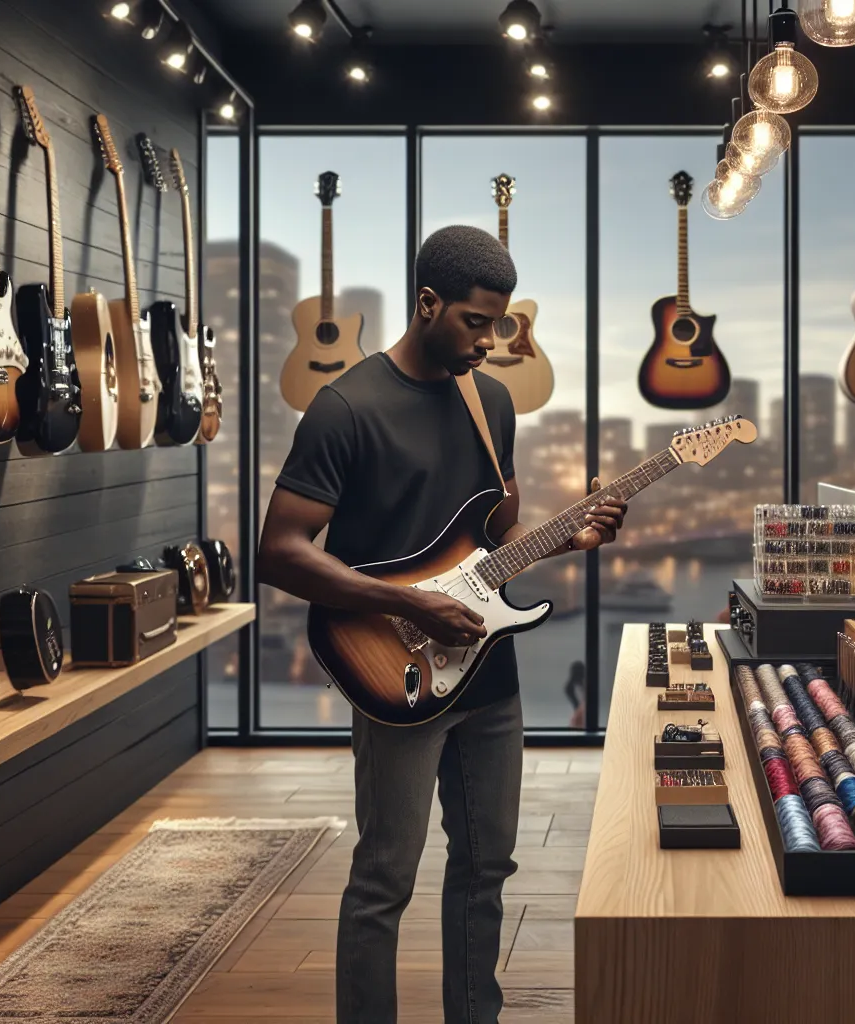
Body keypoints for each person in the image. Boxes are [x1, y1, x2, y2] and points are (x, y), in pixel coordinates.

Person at [258, 225, 629, 1024]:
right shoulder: (345, 407)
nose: (491, 341)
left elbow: (492, 547)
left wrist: (578, 534)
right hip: (391, 668)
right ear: (428, 304)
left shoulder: (489, 401)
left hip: (489, 676)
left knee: (487, 867)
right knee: (384, 880)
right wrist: (409, 603)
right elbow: (279, 553)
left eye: (498, 324)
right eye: (475, 322)